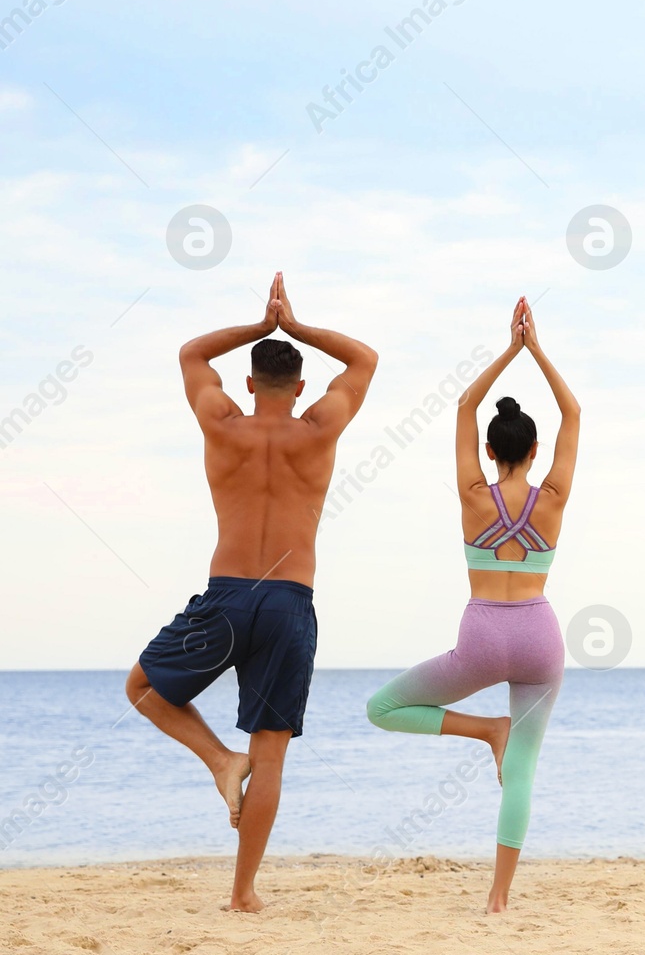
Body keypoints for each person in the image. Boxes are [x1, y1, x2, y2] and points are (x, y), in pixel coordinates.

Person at [124, 273, 378, 913]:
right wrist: (294, 326)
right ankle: (242, 894)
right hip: (289, 603)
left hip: (228, 595)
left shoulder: (221, 423)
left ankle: (216, 760)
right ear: (298, 387)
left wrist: (260, 326)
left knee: (142, 689)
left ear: (246, 383)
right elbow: (363, 360)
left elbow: (191, 354)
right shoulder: (318, 427)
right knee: (272, 756)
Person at [366, 296, 578, 914]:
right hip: (540, 635)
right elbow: (573, 410)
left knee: (383, 707)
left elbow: (463, 405)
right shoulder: (555, 496)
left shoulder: (471, 494)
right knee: (526, 766)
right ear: (535, 450)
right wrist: (535, 348)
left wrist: (507, 349)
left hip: (483, 635)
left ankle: (486, 730)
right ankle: (498, 900)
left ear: (490, 451)